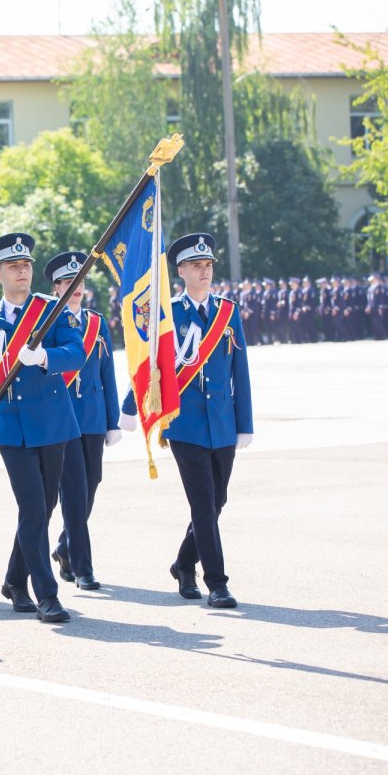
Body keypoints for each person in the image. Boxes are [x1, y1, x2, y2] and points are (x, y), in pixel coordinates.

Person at [0, 232, 84, 623]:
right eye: (13, 266)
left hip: (53, 423)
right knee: (32, 506)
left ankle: (13, 579)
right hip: (10, 425)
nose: (22, 271)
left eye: (25, 265)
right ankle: (47, 596)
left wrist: (45, 357)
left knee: (44, 507)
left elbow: (77, 350)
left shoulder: (50, 309)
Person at [122, 233, 252, 609]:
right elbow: (149, 365)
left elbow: (238, 370)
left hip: (223, 423)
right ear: (181, 271)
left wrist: (245, 423)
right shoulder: (167, 314)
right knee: (203, 505)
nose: (205, 271)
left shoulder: (227, 312)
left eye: (208, 265)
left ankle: (182, 563)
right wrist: (131, 407)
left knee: (218, 500)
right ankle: (217, 583)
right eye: (197, 266)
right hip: (185, 424)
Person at [43, 251, 121, 591]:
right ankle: (82, 566)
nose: (77, 288)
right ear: (57, 288)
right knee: (73, 490)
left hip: (92, 417)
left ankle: (64, 546)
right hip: (62, 418)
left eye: (81, 282)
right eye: (69, 283)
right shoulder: (47, 322)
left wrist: (113, 419)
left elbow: (107, 371)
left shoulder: (96, 322)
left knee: (91, 485)